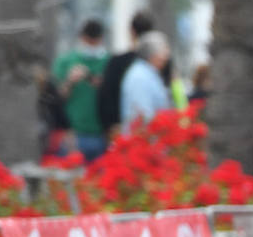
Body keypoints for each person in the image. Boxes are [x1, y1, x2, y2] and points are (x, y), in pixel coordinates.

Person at [50, 18, 109, 164]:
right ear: (82, 38)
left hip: (101, 134)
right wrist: (70, 81)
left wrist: (93, 80)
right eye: (89, 41)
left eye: (95, 41)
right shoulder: (66, 61)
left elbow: (112, 94)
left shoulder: (108, 62)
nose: (92, 45)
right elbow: (55, 98)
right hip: (72, 137)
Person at [98, 10, 156, 138]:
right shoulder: (159, 65)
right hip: (154, 132)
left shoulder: (117, 62)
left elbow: (105, 96)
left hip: (122, 131)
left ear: (131, 31)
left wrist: (110, 126)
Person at [120, 31, 173, 128]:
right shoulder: (140, 77)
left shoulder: (147, 73)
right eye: (164, 50)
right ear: (153, 54)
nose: (167, 55)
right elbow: (143, 115)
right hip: (144, 139)